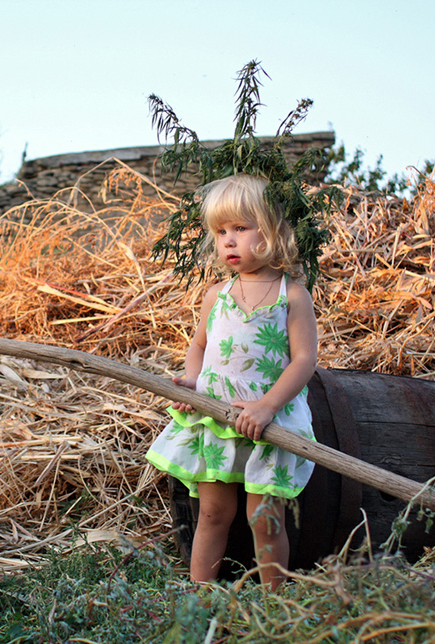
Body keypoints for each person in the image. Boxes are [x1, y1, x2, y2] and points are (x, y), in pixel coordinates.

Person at [146, 173, 318, 588]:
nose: (228, 240)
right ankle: (199, 595)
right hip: (216, 418)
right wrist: (191, 381)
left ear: (273, 230)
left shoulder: (291, 295)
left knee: (265, 518)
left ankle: (275, 605)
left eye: (241, 228)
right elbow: (199, 347)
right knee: (212, 513)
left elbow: (304, 360)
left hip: (267, 422)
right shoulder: (216, 294)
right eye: (221, 231)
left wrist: (267, 406)